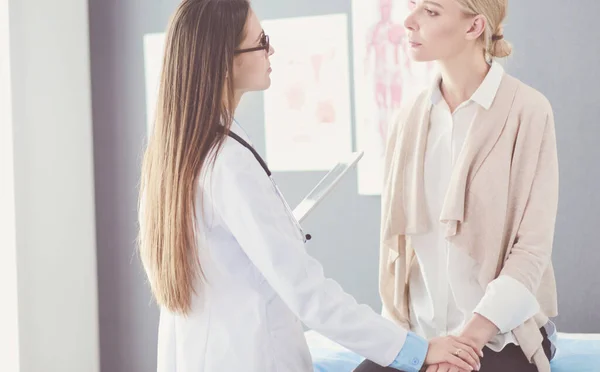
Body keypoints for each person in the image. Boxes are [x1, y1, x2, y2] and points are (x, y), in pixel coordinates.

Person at [137, 1, 482, 371]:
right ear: (227, 60)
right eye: (261, 41)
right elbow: (308, 294)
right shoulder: (227, 161)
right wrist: (417, 350)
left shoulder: (176, 156)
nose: (271, 50)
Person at [355, 0, 559, 371]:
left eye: (430, 11)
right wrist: (413, 345)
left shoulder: (528, 110)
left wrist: (466, 344)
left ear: (473, 27)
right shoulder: (408, 119)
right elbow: (395, 250)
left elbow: (531, 251)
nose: (408, 21)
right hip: (421, 334)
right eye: (413, 6)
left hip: (500, 334)